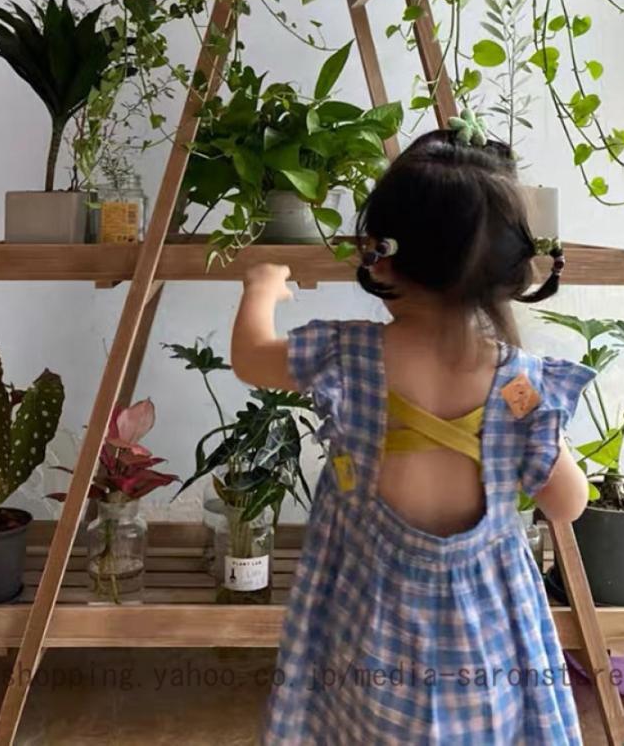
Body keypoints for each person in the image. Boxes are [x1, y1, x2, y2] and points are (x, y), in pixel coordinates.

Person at [230, 126, 593, 745]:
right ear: (504, 270)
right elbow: (568, 503)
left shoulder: (350, 356)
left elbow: (251, 357)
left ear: (384, 254)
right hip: (488, 656)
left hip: (364, 641)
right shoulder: (519, 387)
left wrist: (261, 289)